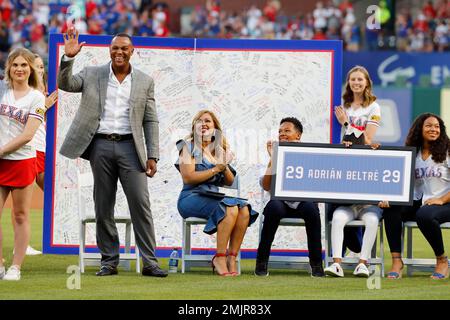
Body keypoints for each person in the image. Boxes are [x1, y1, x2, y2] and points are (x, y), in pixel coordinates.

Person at [57, 27, 167, 277]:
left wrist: (153, 154)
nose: (119, 52)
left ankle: (149, 263)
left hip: (131, 147)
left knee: (141, 204)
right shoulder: (93, 73)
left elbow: (151, 121)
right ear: (109, 50)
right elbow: (65, 84)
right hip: (100, 145)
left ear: (132, 51)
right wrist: (69, 58)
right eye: (115, 47)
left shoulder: (144, 81)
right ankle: (109, 261)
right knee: (103, 205)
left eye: (124, 48)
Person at [175, 110, 259, 276]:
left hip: (212, 198)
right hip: (190, 197)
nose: (203, 123)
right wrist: (217, 168)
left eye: (208, 121)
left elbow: (228, 181)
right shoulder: (187, 147)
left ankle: (231, 258)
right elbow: (188, 177)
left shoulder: (217, 149)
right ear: (194, 127)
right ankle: (219, 257)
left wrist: (225, 164)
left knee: (243, 209)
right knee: (230, 207)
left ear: (215, 129)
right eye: (199, 121)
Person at [324, 65, 383, 278]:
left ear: (367, 82)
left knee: (369, 215)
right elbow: (343, 140)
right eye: (352, 79)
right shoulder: (344, 104)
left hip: (364, 163)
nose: (356, 83)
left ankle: (363, 263)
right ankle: (336, 263)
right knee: (339, 214)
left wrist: (347, 124)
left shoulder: (374, 107)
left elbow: (367, 139)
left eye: (360, 79)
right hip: (345, 163)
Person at [380, 113, 450, 280]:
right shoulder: (413, 153)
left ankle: (441, 259)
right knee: (391, 209)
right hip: (421, 201)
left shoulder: (447, 151)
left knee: (424, 215)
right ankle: (397, 261)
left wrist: (441, 200)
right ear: (420, 129)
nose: (433, 129)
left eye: (437, 126)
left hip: (445, 202)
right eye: (429, 126)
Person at [254, 117, 324, 277]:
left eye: (287, 131)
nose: (282, 134)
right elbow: (266, 186)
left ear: (298, 135)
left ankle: (316, 264)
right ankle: (261, 261)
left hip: (303, 203)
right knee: (273, 208)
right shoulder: (275, 153)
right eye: (280, 131)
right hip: (281, 203)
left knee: (312, 210)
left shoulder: (311, 155)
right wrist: (273, 158)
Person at [0, 48, 46, 280]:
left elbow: (28, 135)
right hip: (0, 161)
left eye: (24, 65)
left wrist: (1, 150)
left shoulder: (36, 97)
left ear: (30, 69)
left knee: (20, 215)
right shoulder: (1, 91)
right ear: (9, 67)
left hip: (21, 161)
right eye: (15, 64)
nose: (19, 69)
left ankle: (15, 267)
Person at [11, 53, 58, 256]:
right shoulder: (29, 93)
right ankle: (20, 244)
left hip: (43, 149)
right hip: (30, 149)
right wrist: (45, 106)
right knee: (23, 200)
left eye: (41, 67)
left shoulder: (42, 92)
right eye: (36, 66)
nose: (39, 70)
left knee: (52, 192)